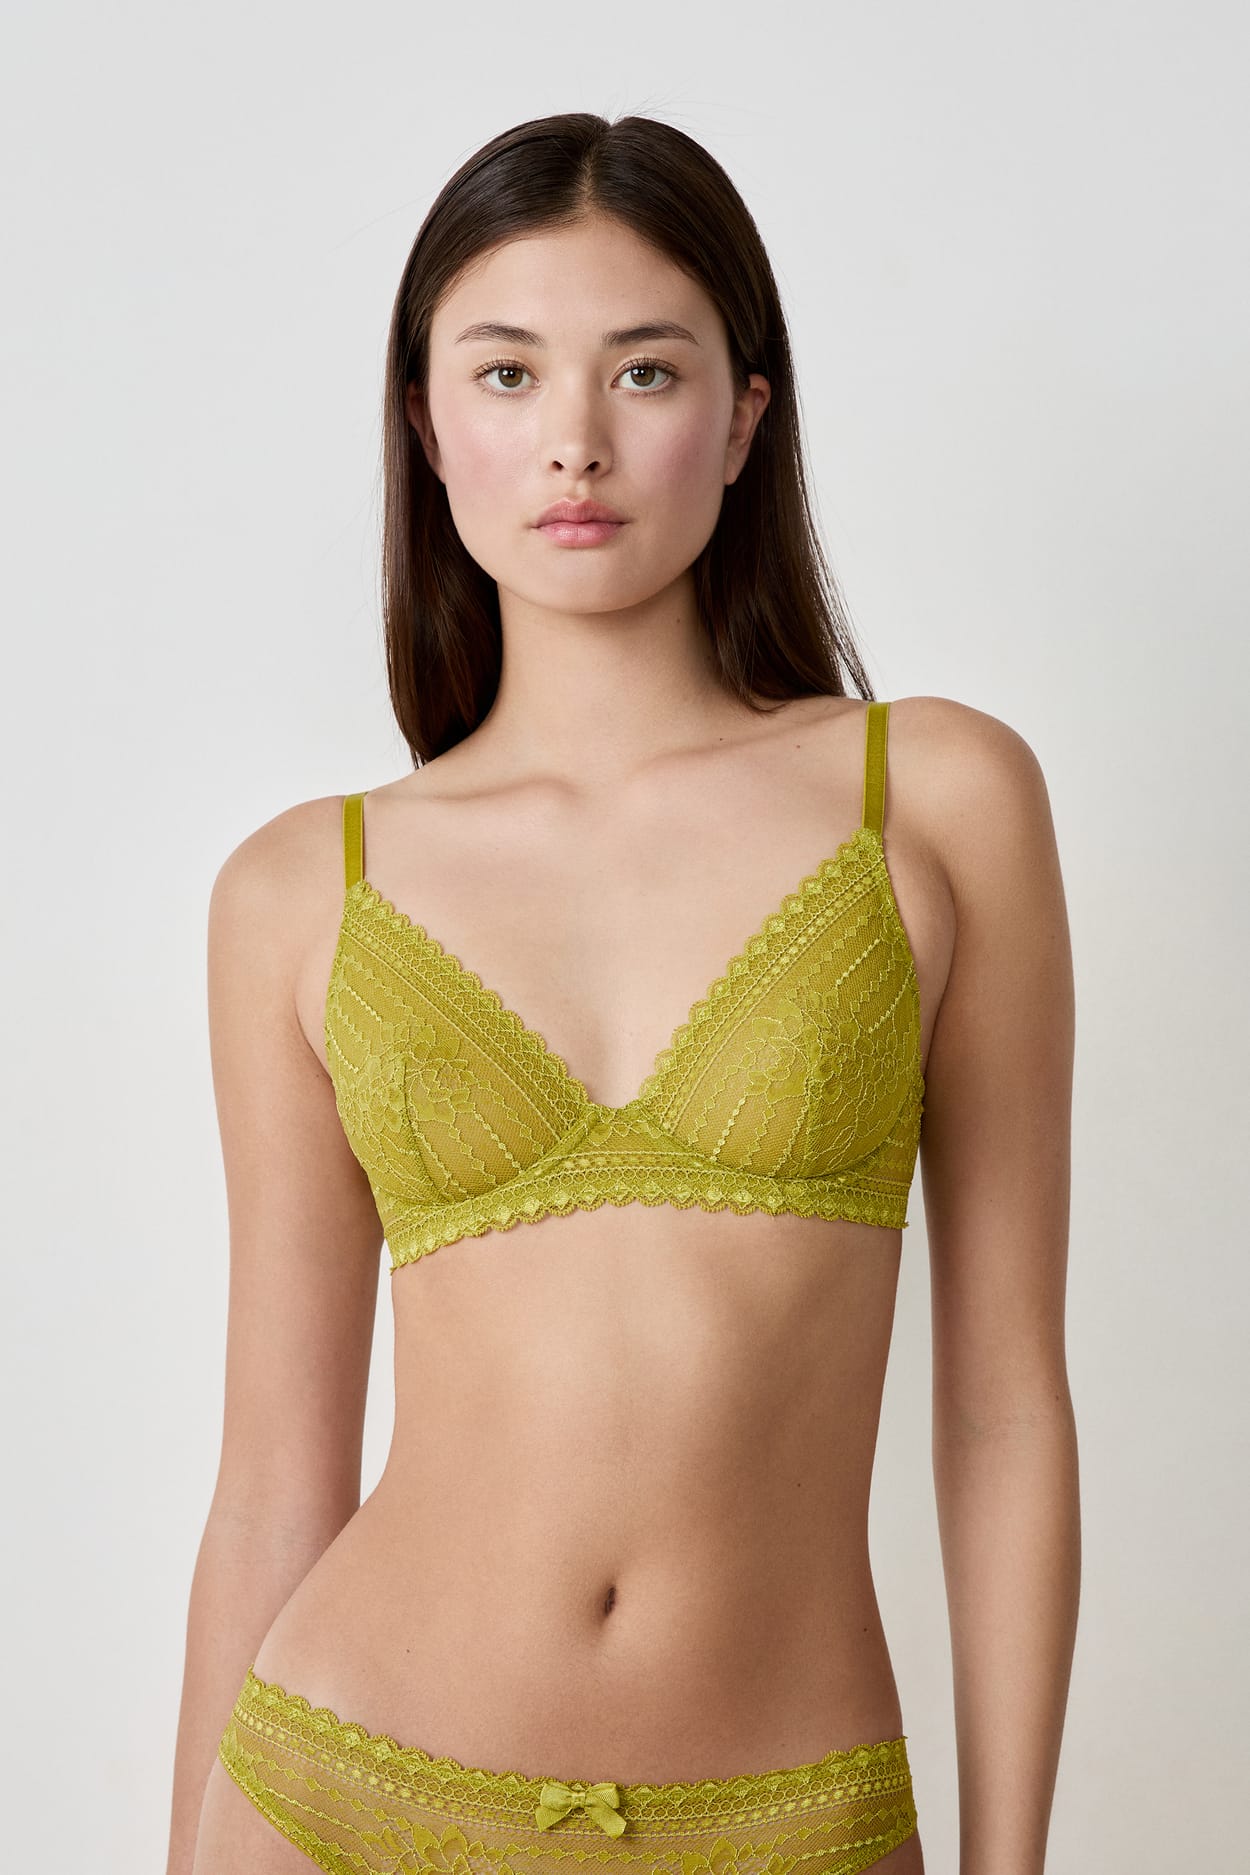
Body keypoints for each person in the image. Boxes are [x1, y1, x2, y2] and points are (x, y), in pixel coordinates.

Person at [169, 111, 1080, 1875]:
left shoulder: (934, 798)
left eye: (643, 370)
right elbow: (274, 1482)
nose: (573, 440)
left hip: (789, 1816)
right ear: (425, 425)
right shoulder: (299, 888)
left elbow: (1004, 1405)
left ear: (743, 419)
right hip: (339, 1795)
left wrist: (1009, 1862)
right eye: (505, 373)